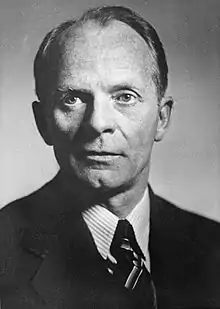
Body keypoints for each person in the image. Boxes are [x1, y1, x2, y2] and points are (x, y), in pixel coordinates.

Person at [0, 5, 220, 309]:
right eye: (72, 99)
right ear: (42, 123)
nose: (98, 123)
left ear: (162, 118)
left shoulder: (213, 248)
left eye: (125, 97)